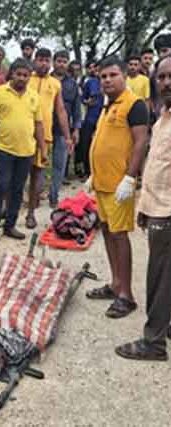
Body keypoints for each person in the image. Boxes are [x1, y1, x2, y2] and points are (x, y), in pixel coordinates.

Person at [83, 56, 149, 318]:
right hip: (102, 183)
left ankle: (127, 295)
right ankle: (115, 284)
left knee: (120, 236)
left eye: (112, 75)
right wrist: (92, 174)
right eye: (103, 77)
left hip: (119, 185)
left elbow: (140, 142)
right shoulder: (107, 106)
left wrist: (130, 177)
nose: (107, 80)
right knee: (107, 231)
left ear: (123, 75)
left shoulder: (134, 105)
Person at [115, 56, 171, 360]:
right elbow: (158, 168)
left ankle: (154, 343)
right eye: (161, 77)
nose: (166, 83)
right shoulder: (163, 117)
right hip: (158, 206)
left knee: (159, 278)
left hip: (169, 213)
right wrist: (145, 206)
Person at [0, 58, 46, 244]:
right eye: (18, 74)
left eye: (26, 75)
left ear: (30, 77)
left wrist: (43, 148)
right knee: (1, 186)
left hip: (27, 151)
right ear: (11, 74)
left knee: (18, 189)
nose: (22, 78)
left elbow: (38, 124)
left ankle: (10, 225)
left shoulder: (34, 96)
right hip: (4, 149)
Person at [26, 48, 72, 228]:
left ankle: (31, 213)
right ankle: (8, 210)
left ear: (50, 63)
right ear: (35, 60)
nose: (43, 64)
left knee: (38, 174)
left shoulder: (55, 84)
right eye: (40, 60)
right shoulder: (25, 77)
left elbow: (60, 111)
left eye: (47, 60)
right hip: (24, 134)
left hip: (44, 136)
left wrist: (67, 136)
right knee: (18, 174)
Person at [50, 50, 81, 197]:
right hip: (44, 127)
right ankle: (36, 193)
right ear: (53, 62)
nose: (61, 64)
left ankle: (54, 194)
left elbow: (76, 108)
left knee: (60, 163)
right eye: (59, 61)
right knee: (40, 163)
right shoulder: (46, 81)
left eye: (64, 61)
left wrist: (76, 129)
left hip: (63, 129)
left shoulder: (72, 84)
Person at [77, 60, 103, 179]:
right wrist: (87, 102)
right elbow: (82, 97)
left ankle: (99, 170)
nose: (96, 72)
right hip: (90, 118)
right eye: (95, 69)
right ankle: (88, 170)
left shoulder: (106, 82)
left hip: (103, 118)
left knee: (101, 144)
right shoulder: (90, 82)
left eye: (98, 69)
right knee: (87, 144)